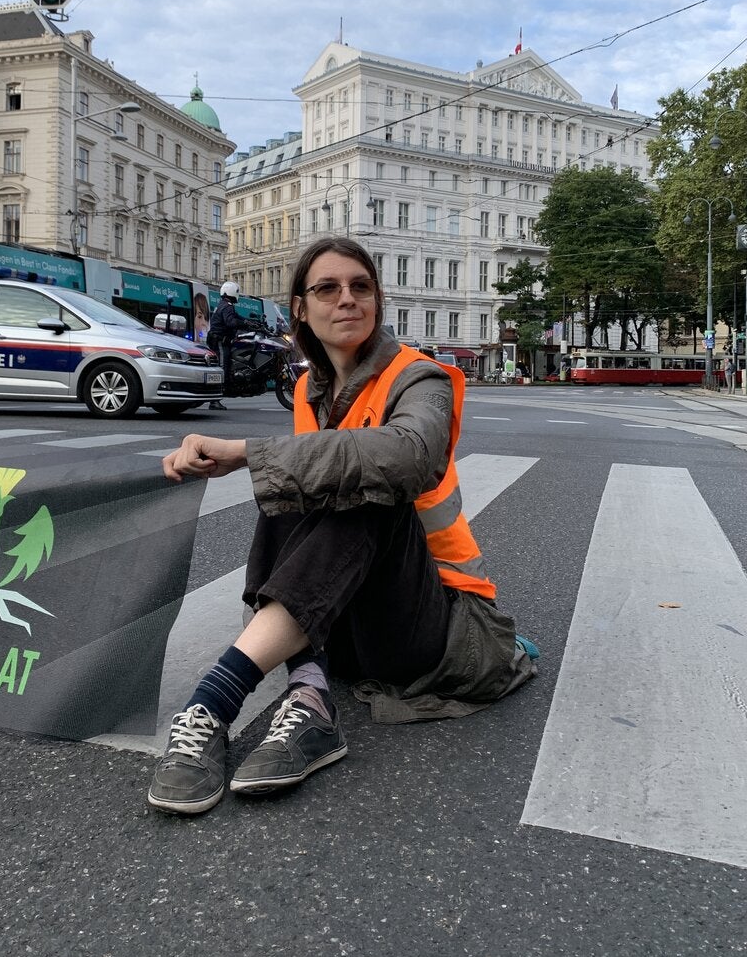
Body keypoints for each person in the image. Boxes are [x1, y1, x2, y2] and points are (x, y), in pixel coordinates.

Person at [148, 236, 537, 816]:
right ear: (300, 309)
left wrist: (249, 452)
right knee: (300, 482)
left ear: (378, 303)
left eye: (361, 287)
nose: (347, 300)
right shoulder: (308, 389)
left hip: (441, 626)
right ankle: (310, 700)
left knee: (363, 485)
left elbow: (410, 458)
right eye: (327, 288)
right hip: (351, 626)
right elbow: (304, 483)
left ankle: (212, 705)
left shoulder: (420, 377)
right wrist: (259, 459)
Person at [208, 281, 250, 409]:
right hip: (219, 340)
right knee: (221, 369)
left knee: (225, 366)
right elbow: (231, 322)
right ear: (232, 292)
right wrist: (245, 324)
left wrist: (250, 322)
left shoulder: (225, 305)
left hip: (221, 340)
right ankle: (214, 401)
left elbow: (238, 317)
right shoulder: (227, 306)